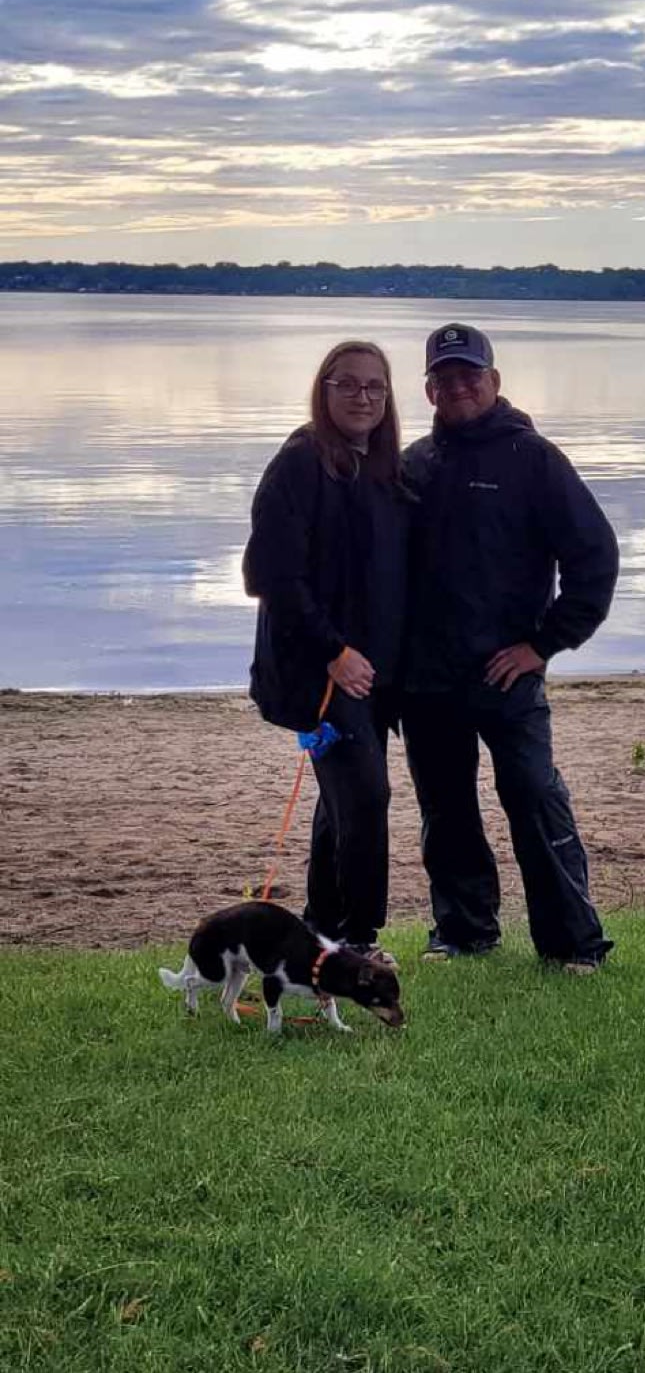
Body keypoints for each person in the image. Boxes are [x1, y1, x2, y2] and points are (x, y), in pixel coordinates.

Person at [401, 321, 619, 972]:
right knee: (446, 812)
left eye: (469, 376)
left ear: (494, 381)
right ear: (429, 390)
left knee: (533, 797)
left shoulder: (535, 459)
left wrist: (543, 645)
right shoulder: (413, 465)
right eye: (444, 378)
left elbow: (595, 557)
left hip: (507, 675)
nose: (457, 387)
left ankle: (573, 942)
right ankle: (464, 931)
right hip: (427, 680)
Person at [242, 340, 409, 958]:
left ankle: (322, 931)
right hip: (320, 672)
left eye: (375, 386)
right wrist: (333, 652)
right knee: (365, 796)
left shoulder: (385, 470)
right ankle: (358, 939)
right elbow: (270, 575)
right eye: (349, 384)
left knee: (343, 799)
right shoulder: (300, 463)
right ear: (324, 389)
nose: (363, 396)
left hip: (375, 672)